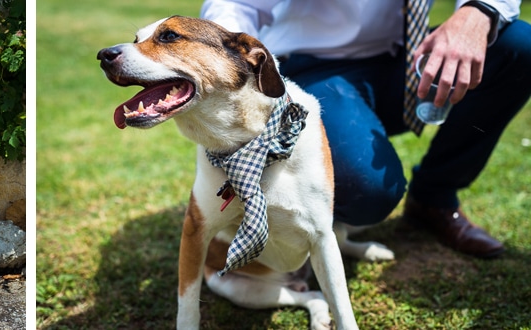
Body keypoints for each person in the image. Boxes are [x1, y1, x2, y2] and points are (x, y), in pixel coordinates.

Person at [200, 0, 531, 258]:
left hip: (404, 57)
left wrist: (478, 11)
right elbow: (239, 5)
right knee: (367, 195)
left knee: (517, 47)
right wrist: (229, 61)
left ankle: (433, 198)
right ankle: (301, 221)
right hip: (316, 64)